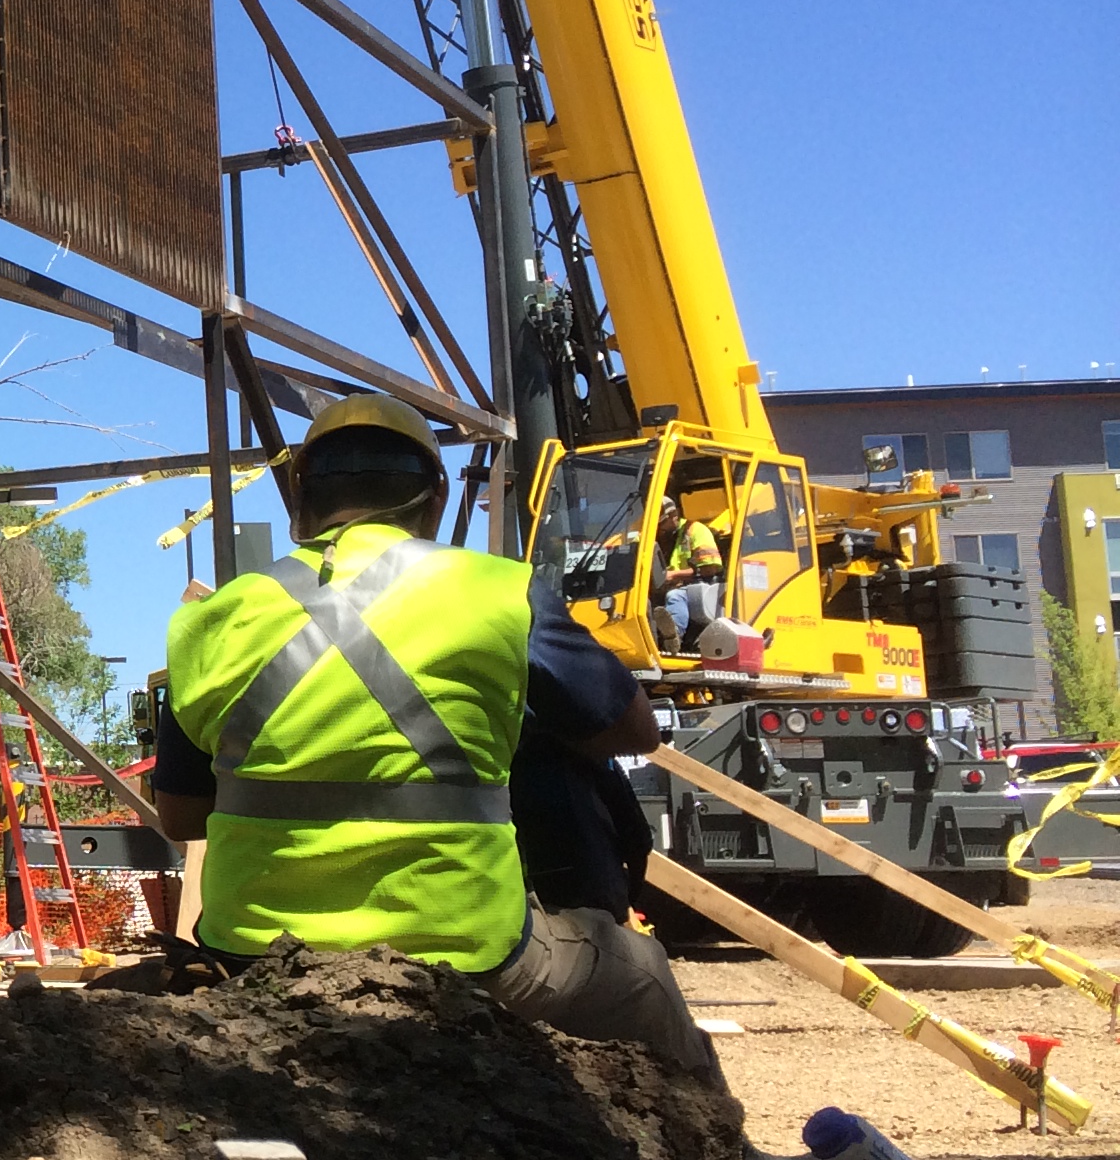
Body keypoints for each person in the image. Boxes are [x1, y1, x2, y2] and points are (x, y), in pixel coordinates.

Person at [151, 393, 719, 1082]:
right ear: (436, 499)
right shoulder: (497, 590)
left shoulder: (213, 619)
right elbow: (635, 732)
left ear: (299, 497)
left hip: (253, 954)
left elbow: (181, 816)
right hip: (466, 956)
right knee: (644, 977)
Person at [656, 508, 727, 652]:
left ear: (674, 516)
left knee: (675, 596)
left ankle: (674, 635)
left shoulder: (696, 531)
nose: (660, 527)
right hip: (676, 584)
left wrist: (674, 575)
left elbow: (711, 568)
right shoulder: (662, 536)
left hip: (701, 584)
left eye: (663, 522)